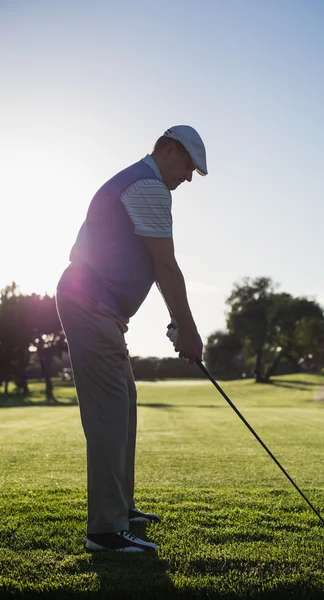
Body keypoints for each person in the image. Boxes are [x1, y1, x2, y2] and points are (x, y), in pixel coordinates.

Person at [56, 125, 207, 552]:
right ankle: (104, 530)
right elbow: (166, 267)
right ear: (169, 150)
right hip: (91, 305)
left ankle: (121, 509)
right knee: (108, 413)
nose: (189, 177)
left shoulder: (136, 181)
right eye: (189, 165)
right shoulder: (149, 187)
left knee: (124, 405)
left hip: (97, 305)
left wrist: (177, 322)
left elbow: (150, 266)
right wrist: (190, 331)